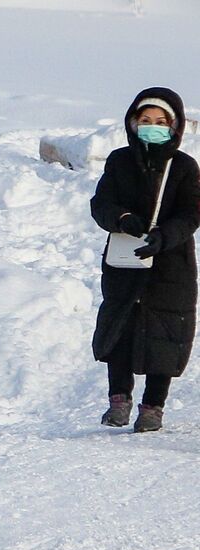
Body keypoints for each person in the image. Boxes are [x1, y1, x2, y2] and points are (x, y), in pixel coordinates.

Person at [91, 88, 200, 433]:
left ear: (174, 127)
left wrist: (164, 237)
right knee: (120, 328)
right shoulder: (119, 161)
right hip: (125, 260)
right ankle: (118, 401)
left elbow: (192, 212)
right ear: (133, 123)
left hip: (171, 264)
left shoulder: (183, 167)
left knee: (166, 332)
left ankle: (153, 407)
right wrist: (122, 219)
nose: (152, 127)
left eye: (160, 122)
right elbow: (101, 204)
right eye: (145, 120)